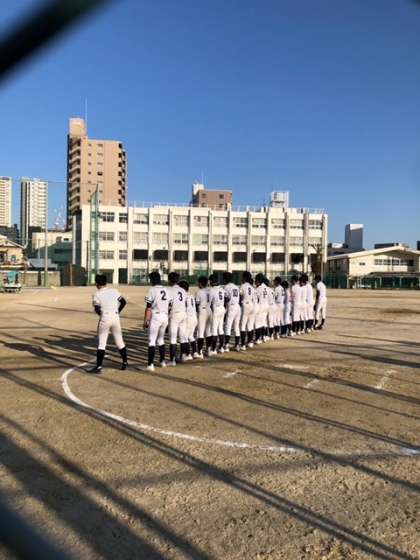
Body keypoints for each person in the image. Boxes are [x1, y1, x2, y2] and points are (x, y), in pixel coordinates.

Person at [89, 274, 127, 374]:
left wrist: (101, 315)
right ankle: (125, 362)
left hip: (105, 318)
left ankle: (99, 367)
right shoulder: (114, 291)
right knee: (120, 341)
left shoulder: (97, 294)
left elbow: (97, 309)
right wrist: (118, 311)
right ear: (106, 282)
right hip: (115, 317)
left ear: (97, 284)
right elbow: (123, 302)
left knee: (102, 344)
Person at [143, 271, 170, 371]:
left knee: (152, 341)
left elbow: (148, 307)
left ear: (152, 280)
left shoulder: (152, 290)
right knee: (161, 340)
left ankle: (150, 365)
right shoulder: (166, 289)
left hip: (156, 317)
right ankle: (162, 361)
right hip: (165, 316)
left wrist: (145, 321)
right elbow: (170, 306)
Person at [167, 272, 188, 365]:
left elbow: (168, 304)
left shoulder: (169, 290)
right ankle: (183, 356)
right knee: (182, 336)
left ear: (170, 280)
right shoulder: (182, 290)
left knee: (173, 338)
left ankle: (172, 360)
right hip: (183, 314)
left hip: (175, 314)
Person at [179, 280, 199, 359]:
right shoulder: (191, 295)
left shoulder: (183, 295)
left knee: (184, 337)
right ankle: (195, 352)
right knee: (191, 336)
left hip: (188, 318)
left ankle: (187, 355)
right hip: (194, 317)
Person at [223, 272, 241, 351]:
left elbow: (226, 298)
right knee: (236, 326)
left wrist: (224, 307)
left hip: (231, 307)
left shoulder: (226, 287)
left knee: (228, 326)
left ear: (226, 279)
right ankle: (237, 345)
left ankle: (226, 345)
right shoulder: (236, 286)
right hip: (238, 307)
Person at [208, 273, 225, 355]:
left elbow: (209, 302)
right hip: (222, 308)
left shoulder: (212, 290)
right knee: (220, 328)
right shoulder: (221, 289)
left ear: (211, 281)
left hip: (216, 309)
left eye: (210, 281)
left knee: (214, 330)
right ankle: (221, 348)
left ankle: (213, 349)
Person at [195, 275, 210, 358]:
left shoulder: (199, 292)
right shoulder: (210, 290)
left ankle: (199, 352)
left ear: (200, 283)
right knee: (208, 331)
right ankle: (209, 349)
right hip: (210, 310)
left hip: (202, 311)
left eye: (198, 282)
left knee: (200, 332)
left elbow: (197, 304)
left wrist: (197, 312)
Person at [240, 271, 255, 350]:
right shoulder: (252, 287)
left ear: (245, 278)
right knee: (250, 325)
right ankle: (250, 342)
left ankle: (243, 345)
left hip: (245, 305)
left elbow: (240, 296)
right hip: (252, 305)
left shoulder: (243, 286)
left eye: (242, 277)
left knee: (243, 326)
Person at [254, 273, 268, 344]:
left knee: (257, 323)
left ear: (258, 280)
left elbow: (255, 299)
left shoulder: (258, 289)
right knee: (263, 322)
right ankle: (264, 336)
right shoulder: (266, 287)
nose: (255, 282)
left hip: (260, 306)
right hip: (266, 306)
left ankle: (257, 338)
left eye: (256, 280)